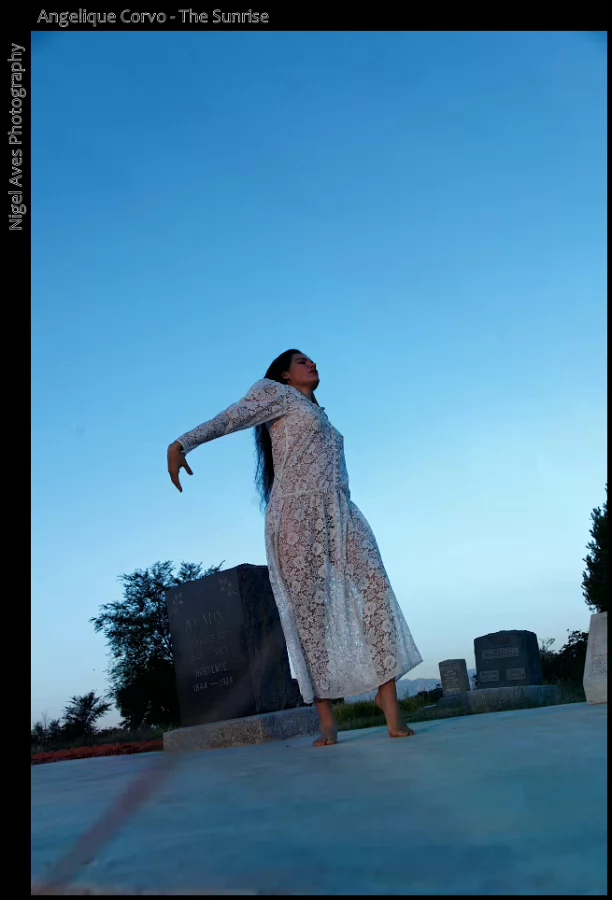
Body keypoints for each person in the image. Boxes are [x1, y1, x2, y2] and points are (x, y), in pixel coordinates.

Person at [167, 349, 423, 746]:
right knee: (310, 614)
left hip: (341, 510)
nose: (312, 364)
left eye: (312, 360)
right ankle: (326, 719)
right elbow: (231, 417)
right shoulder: (275, 393)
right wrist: (182, 444)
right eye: (302, 361)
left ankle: (387, 697)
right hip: (295, 515)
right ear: (285, 375)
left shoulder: (320, 414)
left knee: (375, 589)